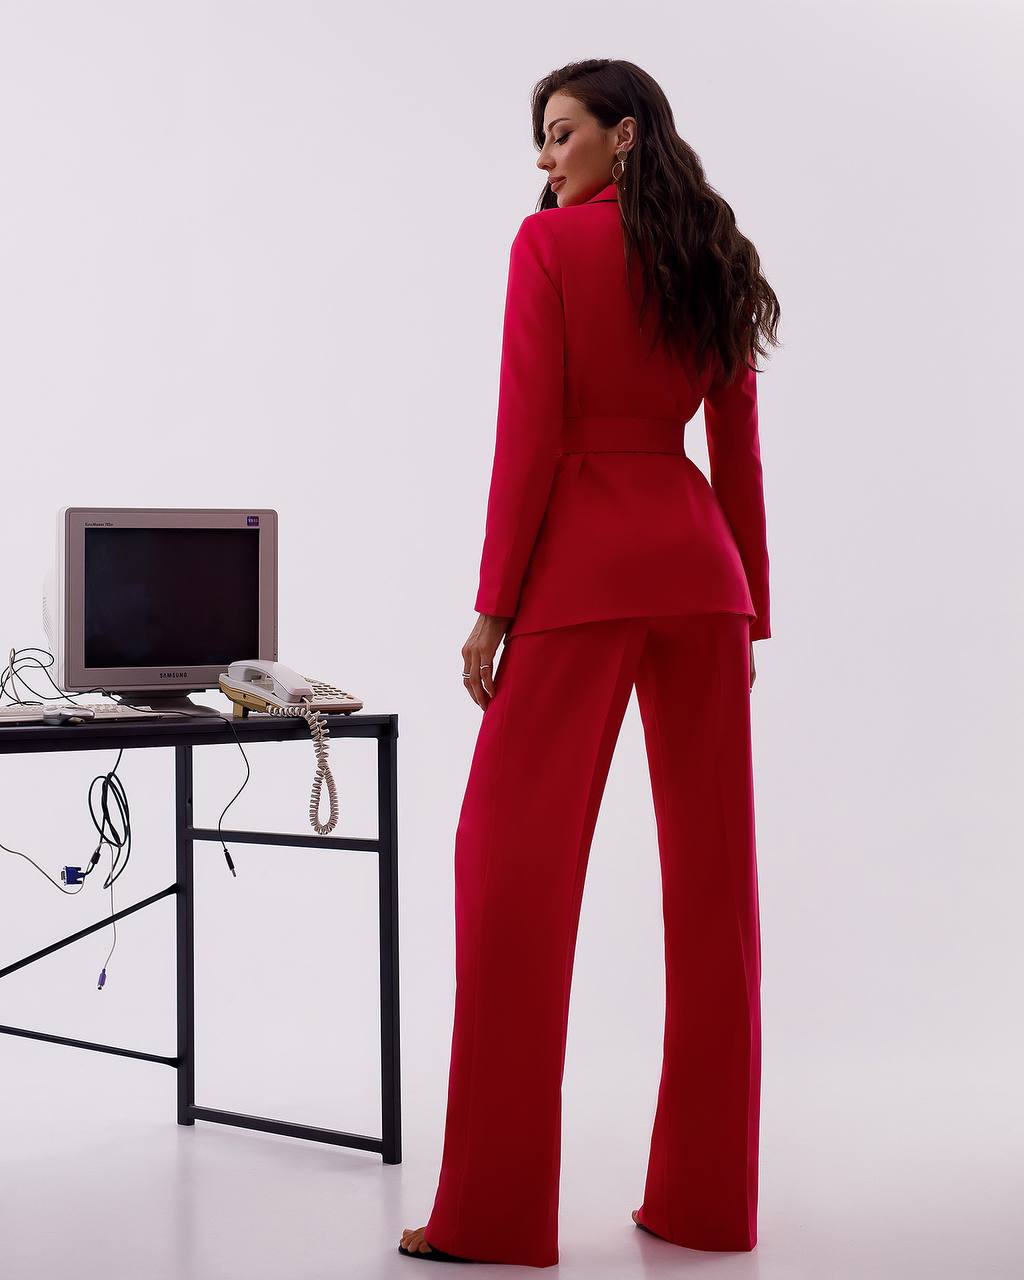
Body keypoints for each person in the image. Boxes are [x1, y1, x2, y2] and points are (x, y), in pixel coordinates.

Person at [399, 57, 780, 1268]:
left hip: (580, 578)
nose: (543, 157)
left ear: (621, 134)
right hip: (702, 580)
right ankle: (706, 1205)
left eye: (559, 132)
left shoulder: (548, 248)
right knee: (716, 896)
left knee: (506, 871)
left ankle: (493, 1215)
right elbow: (735, 454)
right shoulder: (710, 252)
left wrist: (492, 607)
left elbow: (527, 435)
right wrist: (750, 612)